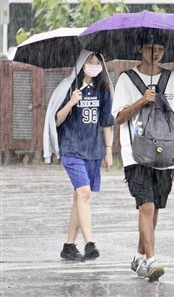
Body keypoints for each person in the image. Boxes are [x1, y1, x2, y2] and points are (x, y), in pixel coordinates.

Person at [111, 30, 174, 281]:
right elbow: (119, 118)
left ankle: (139, 257)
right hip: (136, 155)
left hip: (165, 155)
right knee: (146, 205)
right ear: (139, 48)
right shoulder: (126, 80)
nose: (156, 54)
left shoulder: (171, 79)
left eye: (160, 49)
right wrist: (142, 100)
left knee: (154, 210)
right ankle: (152, 260)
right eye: (151, 48)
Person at [43, 49, 115, 261]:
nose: (93, 65)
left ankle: (68, 246)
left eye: (97, 62)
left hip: (93, 150)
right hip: (71, 148)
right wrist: (71, 102)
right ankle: (90, 244)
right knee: (84, 193)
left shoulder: (103, 90)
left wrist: (109, 151)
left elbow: (106, 123)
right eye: (90, 61)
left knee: (79, 196)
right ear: (82, 63)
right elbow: (57, 120)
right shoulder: (70, 87)